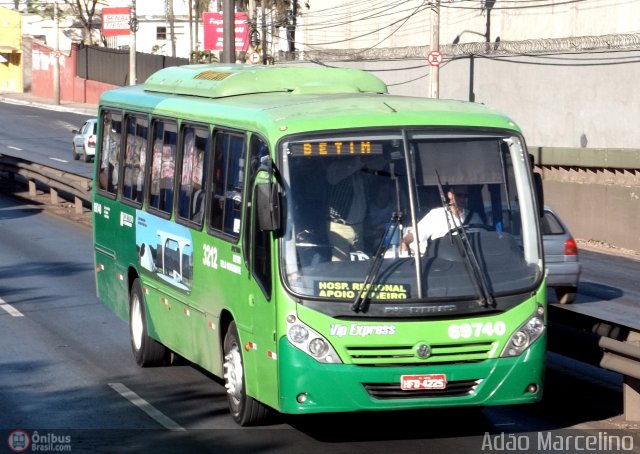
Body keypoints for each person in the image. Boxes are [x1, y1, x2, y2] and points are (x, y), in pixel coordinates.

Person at [401, 186, 481, 255]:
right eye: (459, 195)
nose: (462, 199)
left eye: (465, 196)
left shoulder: (475, 217)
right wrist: (404, 242)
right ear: (450, 195)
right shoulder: (436, 215)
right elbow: (415, 234)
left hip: (471, 262)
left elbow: (484, 241)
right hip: (442, 264)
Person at [326, 158, 367, 261]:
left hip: (358, 227)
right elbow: (332, 178)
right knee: (339, 265)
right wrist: (360, 160)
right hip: (339, 226)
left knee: (360, 264)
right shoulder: (335, 168)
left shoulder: (360, 174)